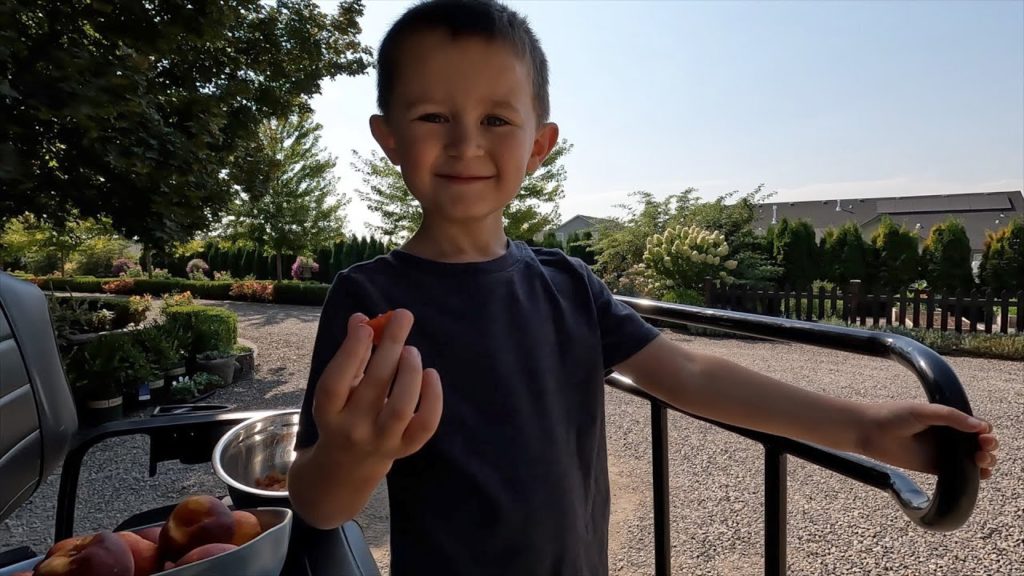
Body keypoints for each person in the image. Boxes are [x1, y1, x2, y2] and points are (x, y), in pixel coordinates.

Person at [288, 1, 999, 574]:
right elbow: (318, 506)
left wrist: (867, 427)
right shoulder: (365, 301)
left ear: (539, 144)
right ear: (388, 138)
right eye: (433, 117)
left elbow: (687, 371)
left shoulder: (567, 285)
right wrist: (354, 456)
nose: (467, 142)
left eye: (496, 119)